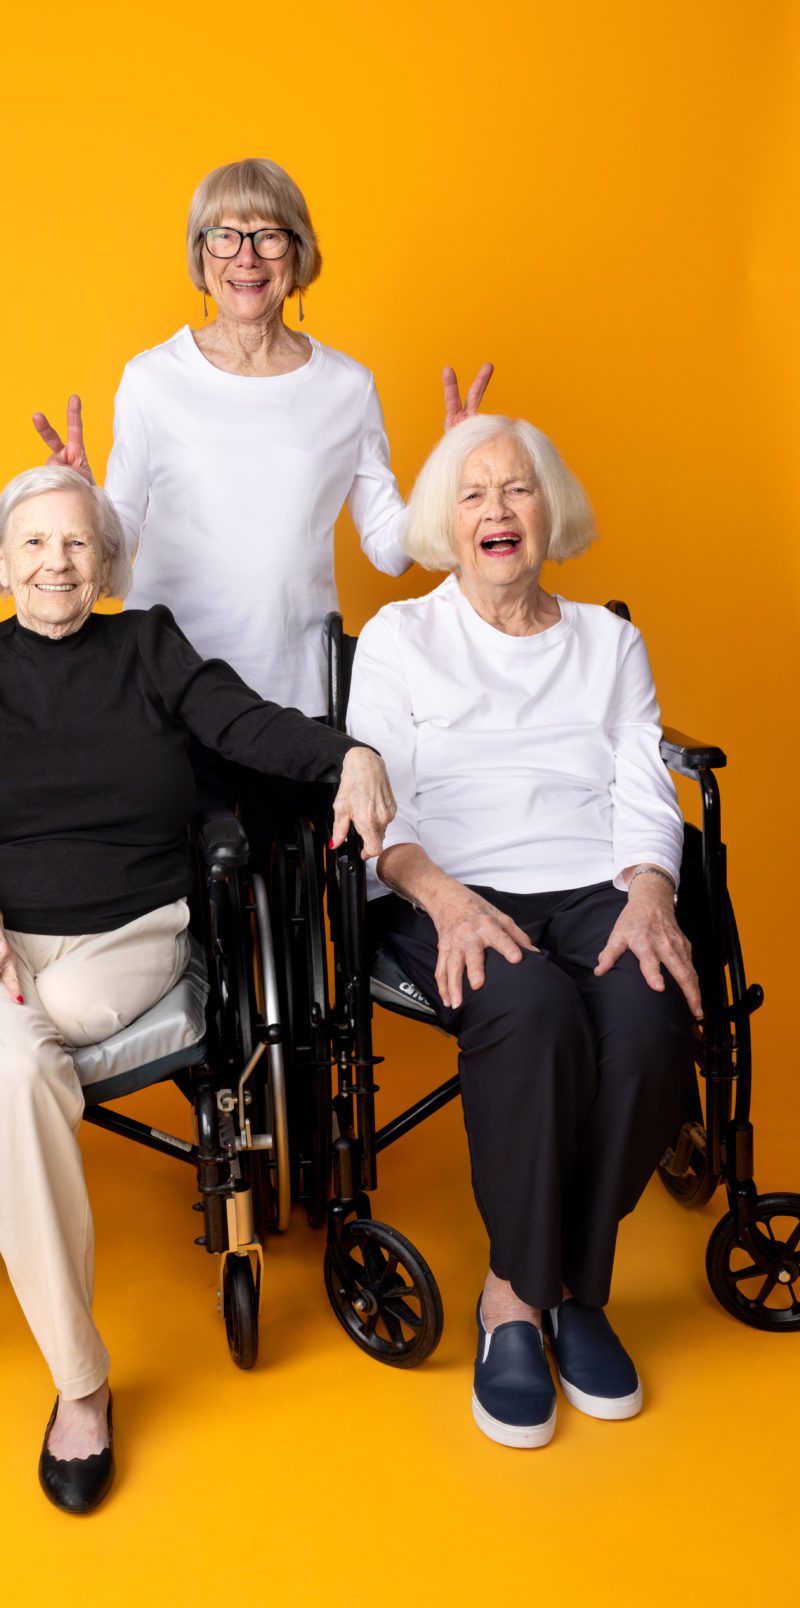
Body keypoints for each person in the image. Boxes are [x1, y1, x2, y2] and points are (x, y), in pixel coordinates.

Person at [0, 465, 395, 1511]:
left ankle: (72, 1370)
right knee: (14, 1057)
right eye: (33, 544)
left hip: (122, 941)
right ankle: (81, 1382)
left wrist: (348, 752)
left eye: (76, 545)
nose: (55, 563)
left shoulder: (149, 646)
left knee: (6, 1059)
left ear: (105, 564)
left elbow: (242, 727)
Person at [346, 415, 700, 1450]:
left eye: (516, 490)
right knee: (534, 1008)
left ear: (551, 510)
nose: (497, 511)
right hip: (447, 888)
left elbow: (643, 788)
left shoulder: (609, 641)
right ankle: (518, 1301)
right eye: (473, 494)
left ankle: (562, 1290)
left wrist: (650, 893)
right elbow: (383, 816)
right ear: (444, 525)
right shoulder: (401, 639)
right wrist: (447, 900)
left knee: (647, 1016)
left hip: (595, 880)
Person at [32, 157, 490, 847]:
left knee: (294, 886)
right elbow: (115, 547)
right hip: (168, 692)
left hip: (293, 697)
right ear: (201, 254)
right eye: (225, 236)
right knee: (179, 902)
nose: (246, 257)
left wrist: (454, 476)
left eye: (270, 236)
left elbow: (389, 549)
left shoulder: (347, 386)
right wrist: (78, 503)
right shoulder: (153, 380)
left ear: (298, 254)